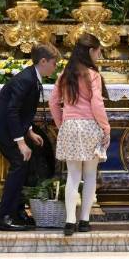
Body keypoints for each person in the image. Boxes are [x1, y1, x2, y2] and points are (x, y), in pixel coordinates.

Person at [0, 43, 60, 231]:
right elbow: (12, 111)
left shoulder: (33, 76)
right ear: (43, 61)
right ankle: (4, 217)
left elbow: (23, 110)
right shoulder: (26, 79)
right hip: (1, 125)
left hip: (9, 125)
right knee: (19, 161)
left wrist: (30, 130)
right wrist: (21, 141)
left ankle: (17, 213)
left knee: (24, 164)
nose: (55, 67)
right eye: (54, 63)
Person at [49, 33, 111, 236]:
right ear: (91, 51)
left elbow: (52, 102)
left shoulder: (64, 74)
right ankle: (84, 220)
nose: (99, 54)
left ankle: (69, 221)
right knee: (90, 175)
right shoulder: (92, 75)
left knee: (73, 176)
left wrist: (61, 123)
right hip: (90, 126)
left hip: (70, 126)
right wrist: (105, 127)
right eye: (98, 50)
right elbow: (96, 103)